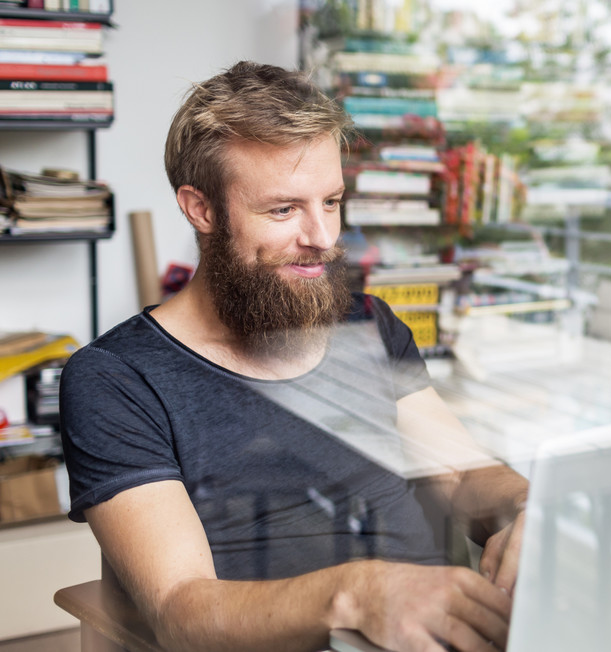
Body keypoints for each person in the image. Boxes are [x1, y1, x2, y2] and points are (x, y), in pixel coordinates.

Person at [59, 61, 528, 652]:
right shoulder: (116, 380)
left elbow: (462, 475)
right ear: (200, 208)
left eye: (331, 201)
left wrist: (523, 505)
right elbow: (183, 608)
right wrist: (358, 595)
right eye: (283, 210)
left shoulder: (367, 324)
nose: (324, 237)